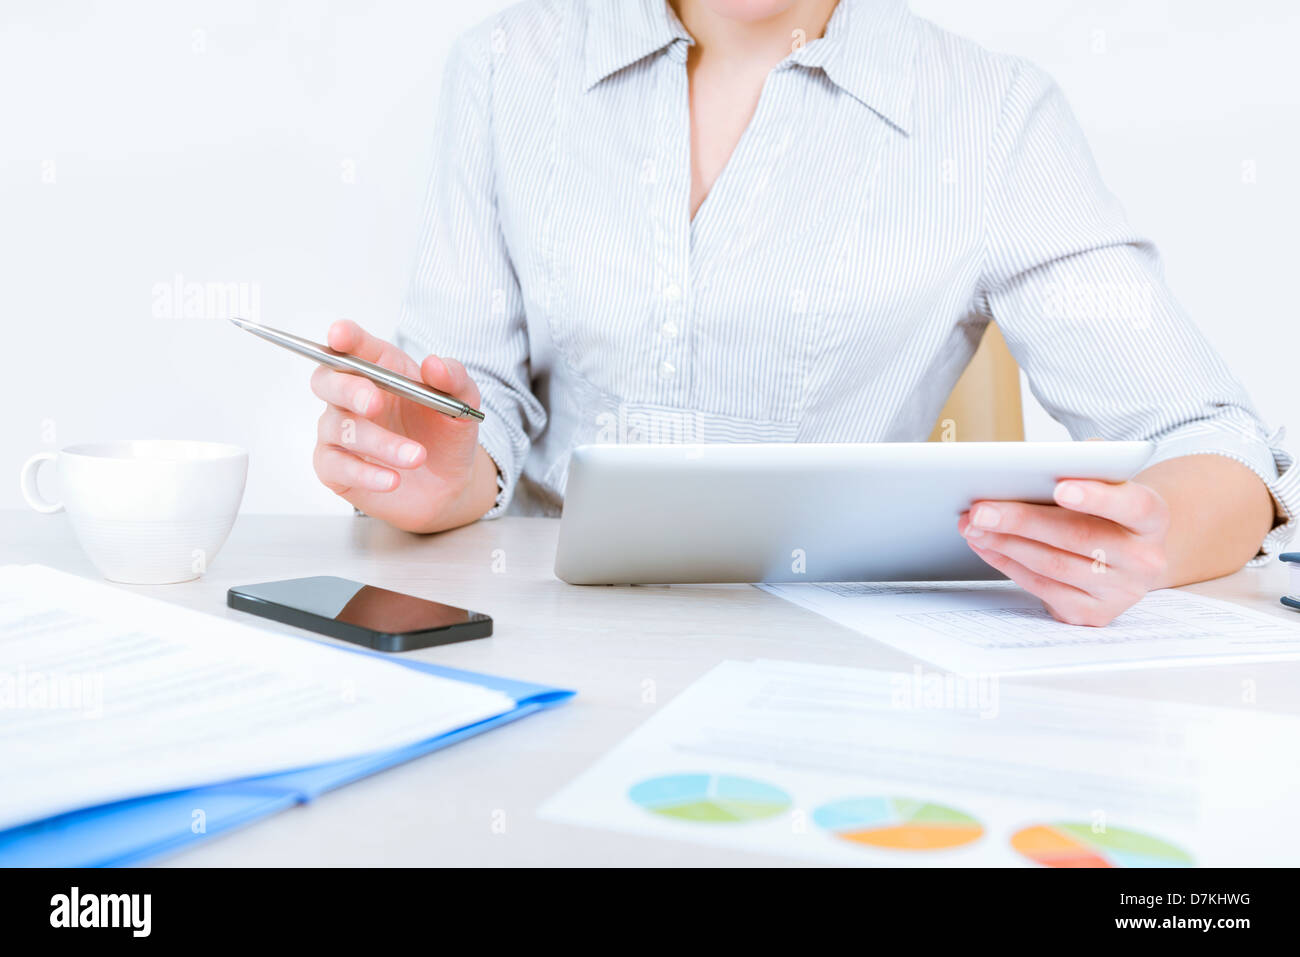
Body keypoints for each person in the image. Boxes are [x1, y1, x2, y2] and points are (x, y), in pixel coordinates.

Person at [308, 0, 1296, 626]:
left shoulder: (991, 114)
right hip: (538, 631)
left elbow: (1208, 437)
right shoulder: (501, 67)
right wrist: (441, 476)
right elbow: (470, 420)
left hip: (843, 659)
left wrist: (1152, 537)